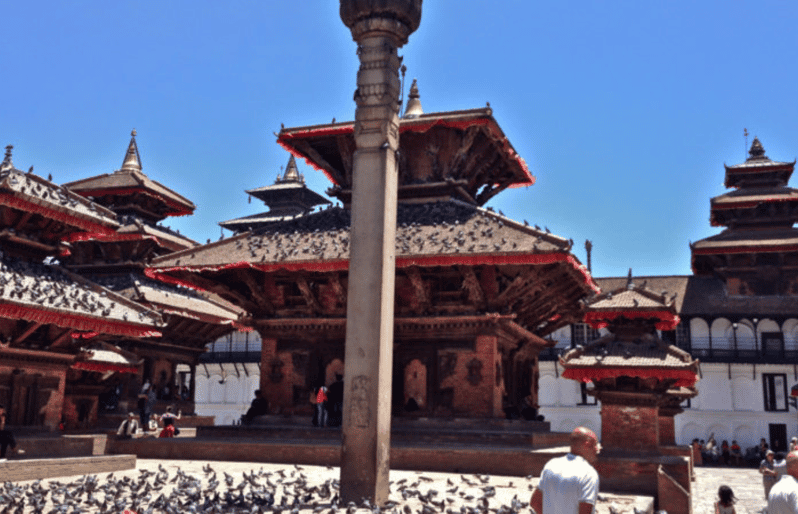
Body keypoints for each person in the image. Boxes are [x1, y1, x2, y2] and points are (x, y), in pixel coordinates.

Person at [530, 427, 601, 514]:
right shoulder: (588, 474)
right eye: (595, 445)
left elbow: (535, 502)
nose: (598, 449)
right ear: (587, 445)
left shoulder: (551, 465)